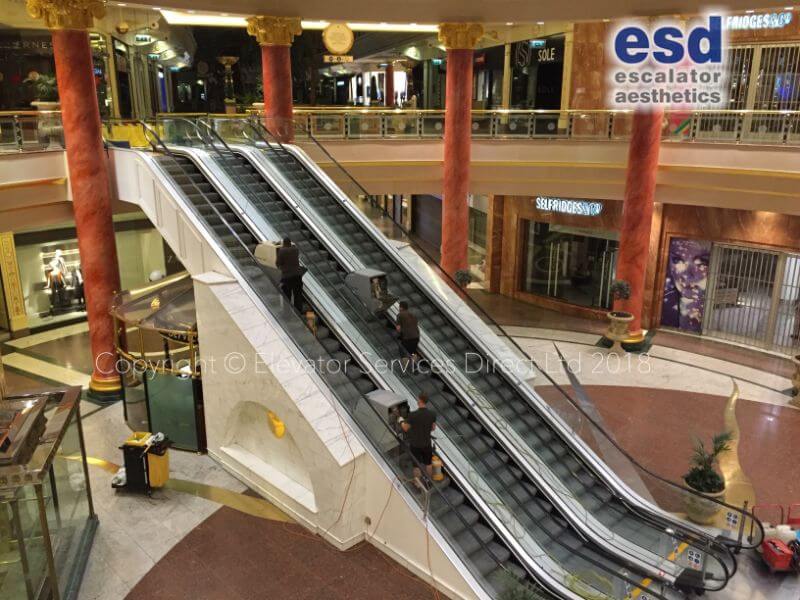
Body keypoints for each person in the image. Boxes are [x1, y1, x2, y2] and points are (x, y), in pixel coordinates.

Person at [400, 393, 437, 488]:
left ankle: (418, 484)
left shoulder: (413, 415)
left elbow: (405, 428)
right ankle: (428, 481)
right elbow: (433, 428)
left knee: (416, 465)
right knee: (428, 463)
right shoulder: (432, 414)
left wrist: (401, 421)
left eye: (418, 399)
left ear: (420, 401)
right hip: (427, 443)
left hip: (415, 444)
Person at [275, 237, 304, 312]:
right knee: (298, 294)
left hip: (287, 277)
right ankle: (298, 312)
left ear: (284, 244)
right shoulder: (295, 250)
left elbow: (278, 263)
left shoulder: (282, 251)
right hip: (297, 275)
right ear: (290, 243)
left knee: (287, 295)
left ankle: (287, 312)